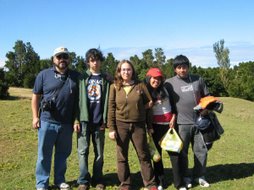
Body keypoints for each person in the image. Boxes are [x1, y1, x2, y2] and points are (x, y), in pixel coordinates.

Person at [31, 47, 79, 190]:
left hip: (66, 124)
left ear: (69, 59)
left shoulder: (76, 76)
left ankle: (60, 180)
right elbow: (35, 97)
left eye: (65, 56)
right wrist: (35, 117)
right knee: (44, 155)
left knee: (62, 155)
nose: (62, 59)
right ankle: (42, 184)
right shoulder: (43, 75)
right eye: (59, 57)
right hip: (47, 122)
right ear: (53, 59)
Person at [107, 60, 157, 190]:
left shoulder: (140, 86)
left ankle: (150, 183)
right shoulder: (114, 87)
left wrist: (143, 112)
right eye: (123, 69)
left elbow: (150, 103)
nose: (126, 72)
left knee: (144, 155)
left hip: (138, 126)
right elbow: (111, 108)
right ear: (119, 71)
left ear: (132, 71)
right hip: (120, 125)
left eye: (128, 69)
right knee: (122, 157)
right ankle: (125, 184)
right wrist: (111, 128)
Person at [164, 55, 210, 188]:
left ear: (188, 67)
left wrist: (206, 109)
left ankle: (199, 176)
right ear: (175, 69)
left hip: (200, 122)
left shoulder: (198, 79)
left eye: (184, 67)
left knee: (201, 150)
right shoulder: (169, 83)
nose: (182, 70)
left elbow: (207, 97)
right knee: (182, 153)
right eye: (179, 67)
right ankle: (186, 176)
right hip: (181, 124)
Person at [73, 48, 111, 190]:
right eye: (92, 60)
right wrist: (76, 120)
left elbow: (108, 100)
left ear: (100, 61)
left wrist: (105, 120)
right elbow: (76, 101)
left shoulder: (106, 79)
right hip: (84, 121)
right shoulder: (82, 78)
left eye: (97, 60)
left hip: (99, 122)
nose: (95, 63)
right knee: (83, 152)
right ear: (88, 62)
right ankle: (83, 180)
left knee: (99, 153)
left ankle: (98, 179)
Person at [144, 68, 187, 190]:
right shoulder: (145, 91)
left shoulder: (167, 88)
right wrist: (149, 126)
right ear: (149, 79)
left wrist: (174, 117)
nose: (156, 81)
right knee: (157, 156)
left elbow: (174, 106)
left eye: (158, 78)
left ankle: (179, 184)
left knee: (175, 154)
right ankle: (160, 182)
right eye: (153, 78)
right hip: (154, 128)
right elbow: (143, 110)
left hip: (169, 126)